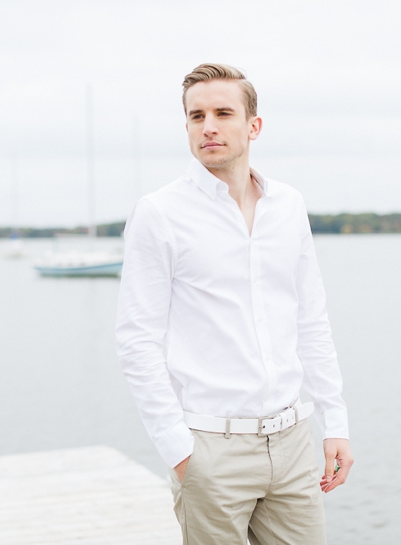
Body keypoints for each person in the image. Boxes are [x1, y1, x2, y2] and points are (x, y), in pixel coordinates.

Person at [115, 63, 353, 544]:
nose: (209, 127)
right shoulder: (160, 214)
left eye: (223, 112)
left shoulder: (288, 206)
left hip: (292, 443)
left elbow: (311, 320)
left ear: (253, 125)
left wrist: (336, 421)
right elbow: (136, 341)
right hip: (210, 449)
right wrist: (179, 453)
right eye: (196, 115)